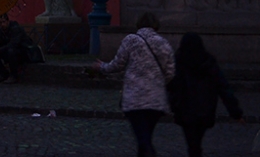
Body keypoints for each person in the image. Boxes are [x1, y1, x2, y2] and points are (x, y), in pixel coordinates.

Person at [92, 12, 175, 157]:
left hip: (135, 99)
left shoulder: (131, 40)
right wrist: (158, 83)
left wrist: (102, 67)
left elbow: (118, 64)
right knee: (145, 137)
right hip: (156, 100)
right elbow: (170, 72)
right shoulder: (163, 43)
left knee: (143, 139)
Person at [169, 32, 244, 157]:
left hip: (185, 110)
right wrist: (236, 112)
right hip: (205, 110)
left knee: (192, 143)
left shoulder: (179, 63)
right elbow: (224, 88)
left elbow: (172, 86)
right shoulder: (209, 63)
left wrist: (172, 104)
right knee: (196, 141)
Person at [0, 14, 27, 83]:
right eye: (0, 22)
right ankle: (3, 74)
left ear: (8, 21)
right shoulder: (0, 30)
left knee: (11, 52)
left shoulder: (15, 29)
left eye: (3, 22)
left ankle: (14, 76)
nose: (2, 24)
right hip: (8, 50)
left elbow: (14, 43)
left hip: (22, 51)